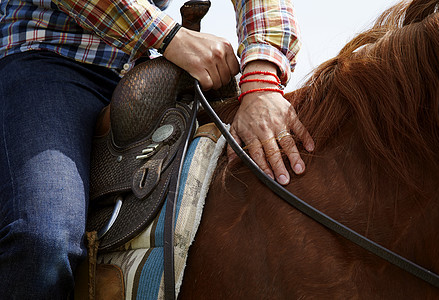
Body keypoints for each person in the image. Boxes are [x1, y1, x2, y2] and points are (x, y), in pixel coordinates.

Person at [0, 0, 314, 297]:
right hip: (45, 57)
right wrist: (170, 37)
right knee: (43, 239)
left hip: (138, 75)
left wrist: (261, 81)